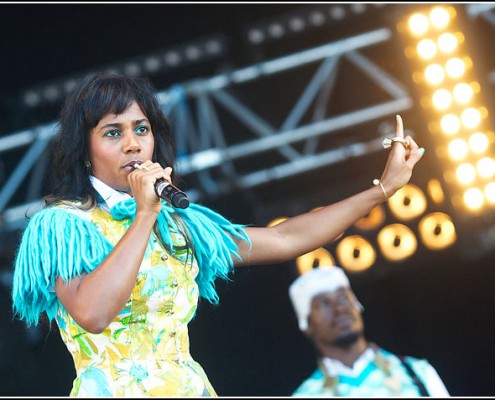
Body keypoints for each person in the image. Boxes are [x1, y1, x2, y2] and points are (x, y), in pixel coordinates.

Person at [11, 71, 424, 397]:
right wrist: (143, 215)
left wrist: (381, 191)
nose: (133, 144)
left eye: (141, 129)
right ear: (84, 151)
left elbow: (284, 240)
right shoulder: (62, 225)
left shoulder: (179, 226)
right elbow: (93, 314)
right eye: (113, 133)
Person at [288, 266, 450, 397]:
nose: (339, 308)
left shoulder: (417, 373)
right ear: (306, 323)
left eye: (344, 298)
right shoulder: (306, 394)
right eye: (324, 304)